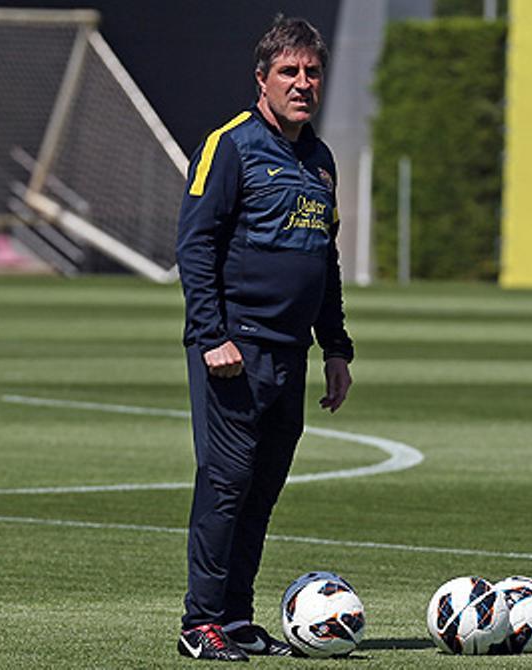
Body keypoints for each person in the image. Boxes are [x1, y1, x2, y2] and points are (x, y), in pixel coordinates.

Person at [174, 15, 353, 662]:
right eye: (289, 72)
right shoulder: (230, 145)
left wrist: (336, 348)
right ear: (262, 79)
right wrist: (211, 335)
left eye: (312, 72)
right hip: (234, 351)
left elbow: (324, 260)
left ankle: (236, 619)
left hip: (291, 352)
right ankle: (199, 623)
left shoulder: (321, 161)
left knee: (260, 491)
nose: (302, 83)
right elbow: (194, 244)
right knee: (226, 484)